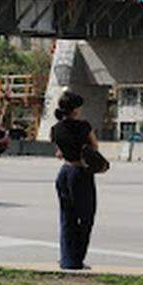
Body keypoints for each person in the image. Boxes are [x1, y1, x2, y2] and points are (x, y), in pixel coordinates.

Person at [50, 91, 100, 270]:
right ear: (76, 109)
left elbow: (59, 153)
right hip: (81, 172)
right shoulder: (84, 126)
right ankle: (77, 260)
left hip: (64, 172)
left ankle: (66, 259)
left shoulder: (56, 128)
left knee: (67, 217)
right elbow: (94, 146)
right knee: (86, 218)